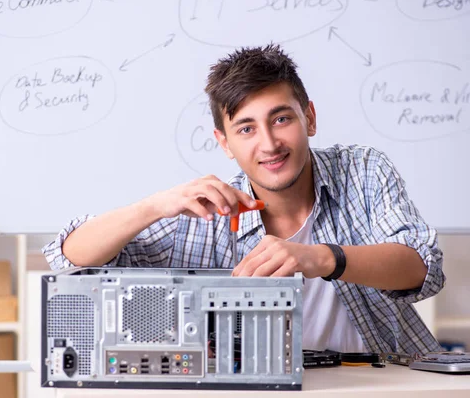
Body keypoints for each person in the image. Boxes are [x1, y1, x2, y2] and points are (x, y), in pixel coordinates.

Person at [43, 44, 445, 356]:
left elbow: (421, 267)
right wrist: (153, 206)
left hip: (383, 382)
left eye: (281, 119)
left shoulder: (362, 169)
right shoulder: (206, 212)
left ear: (310, 118)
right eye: (246, 128)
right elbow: (70, 259)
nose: (269, 144)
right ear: (225, 143)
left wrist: (322, 258)